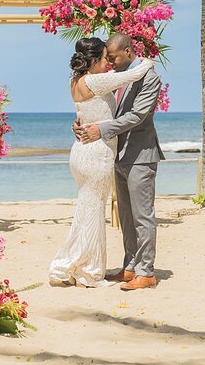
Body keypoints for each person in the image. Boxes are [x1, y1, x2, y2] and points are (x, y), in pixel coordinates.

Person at [49, 37, 154, 287]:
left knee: (86, 210)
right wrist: (148, 61)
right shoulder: (95, 80)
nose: (108, 63)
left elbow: (85, 112)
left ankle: (75, 265)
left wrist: (80, 124)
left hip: (80, 152)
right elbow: (133, 74)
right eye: (105, 58)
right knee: (94, 212)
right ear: (94, 60)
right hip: (96, 153)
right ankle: (89, 271)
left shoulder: (74, 81)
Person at [74, 33, 164, 291]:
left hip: (141, 155)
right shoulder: (118, 79)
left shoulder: (149, 77)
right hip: (118, 155)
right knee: (125, 215)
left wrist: (100, 131)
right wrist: (83, 126)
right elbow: (104, 111)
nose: (110, 62)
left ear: (127, 51)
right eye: (107, 58)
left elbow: (137, 116)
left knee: (142, 215)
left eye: (112, 57)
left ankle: (146, 272)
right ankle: (130, 267)